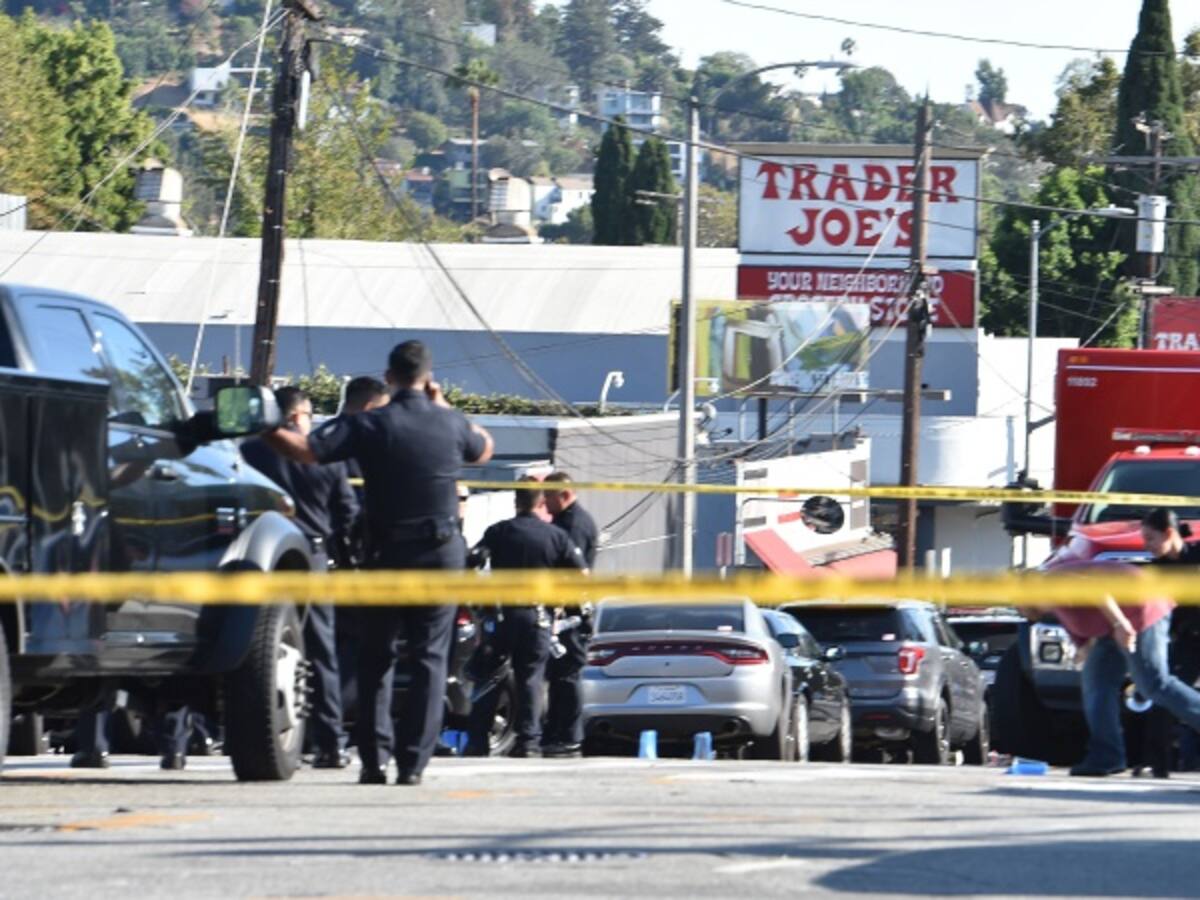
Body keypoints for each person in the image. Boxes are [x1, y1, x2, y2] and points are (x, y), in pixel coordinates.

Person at [264, 340, 493, 786]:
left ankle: (374, 760)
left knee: (376, 658)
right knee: (430, 659)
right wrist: (444, 404)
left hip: (387, 554)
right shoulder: (449, 422)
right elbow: (484, 449)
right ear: (428, 378)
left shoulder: (371, 423)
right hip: (441, 553)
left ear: (389, 378)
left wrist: (265, 426)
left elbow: (304, 451)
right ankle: (413, 765)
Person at [242, 386, 359, 769]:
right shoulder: (325, 457)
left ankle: (256, 736)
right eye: (310, 415)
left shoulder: (249, 452)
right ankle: (330, 743)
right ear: (296, 417)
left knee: (258, 649)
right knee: (321, 653)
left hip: (262, 556)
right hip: (313, 557)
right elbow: (347, 513)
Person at [466, 480, 587, 757]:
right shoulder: (556, 536)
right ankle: (528, 742)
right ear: (541, 502)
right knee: (531, 678)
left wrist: (479, 602)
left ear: (515, 501)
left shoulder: (498, 532)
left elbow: (471, 561)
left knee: (490, 676)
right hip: (536, 616)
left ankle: (477, 740)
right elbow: (581, 574)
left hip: (501, 615)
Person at [1048, 560, 1200, 777]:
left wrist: (1120, 624)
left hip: (1140, 606)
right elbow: (1081, 635)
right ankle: (1106, 757)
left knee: (1154, 683)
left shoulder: (1051, 581)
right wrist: (1083, 651)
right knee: (1096, 683)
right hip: (1112, 625)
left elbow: (1095, 588)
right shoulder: (1053, 605)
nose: (1021, 612)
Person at [1139, 508, 1200, 774]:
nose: (1146, 546)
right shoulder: (1156, 570)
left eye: (1150, 538)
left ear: (1169, 533)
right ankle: (1158, 764)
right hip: (1188, 639)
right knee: (1164, 695)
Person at [541, 471, 598, 757]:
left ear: (564, 495)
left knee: (567, 675)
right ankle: (555, 733)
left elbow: (570, 572)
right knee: (558, 676)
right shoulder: (565, 522)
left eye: (548, 496)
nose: (544, 502)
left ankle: (569, 736)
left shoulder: (574, 525)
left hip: (571, 612)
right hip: (564, 610)